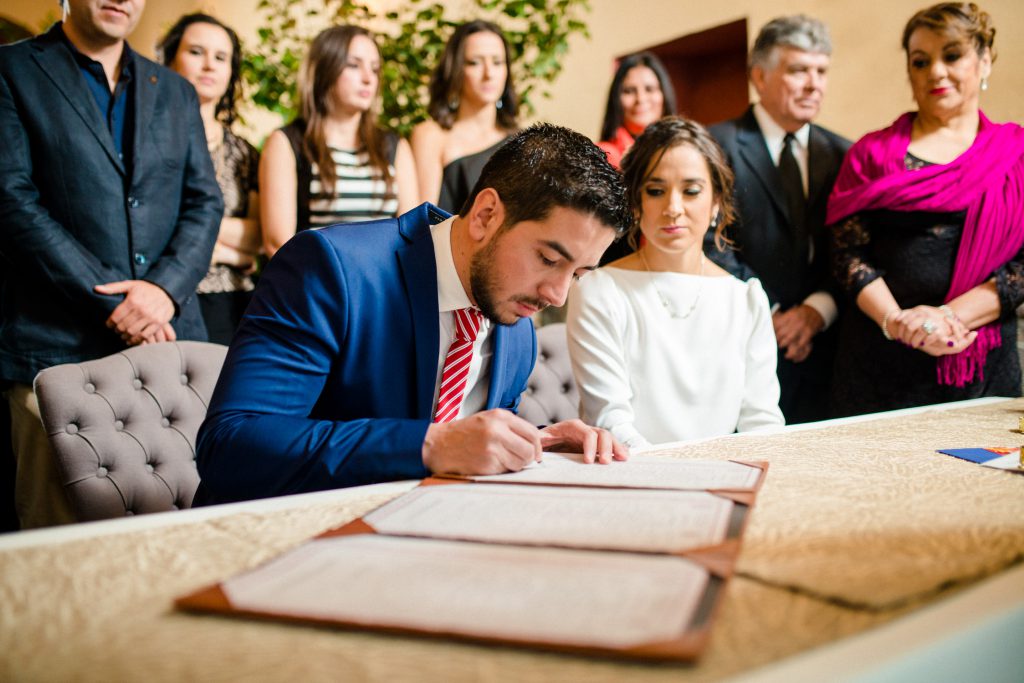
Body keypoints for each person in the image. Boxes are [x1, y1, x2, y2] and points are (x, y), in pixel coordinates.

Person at [195, 124, 631, 504]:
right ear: (485, 215)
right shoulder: (332, 269)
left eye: (577, 273)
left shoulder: (517, 329)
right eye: (549, 258)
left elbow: (459, 439)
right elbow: (232, 446)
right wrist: (429, 445)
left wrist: (535, 443)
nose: (557, 296)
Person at [0, 0, 223, 528]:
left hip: (167, 346)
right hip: (53, 347)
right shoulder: (11, 71)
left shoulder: (174, 90)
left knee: (179, 528)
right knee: (56, 545)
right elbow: (11, 198)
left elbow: (205, 201)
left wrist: (162, 292)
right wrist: (119, 299)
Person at [827, 2, 1024, 416]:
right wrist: (900, 322)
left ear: (984, 61)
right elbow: (847, 254)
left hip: (980, 367)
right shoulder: (870, 154)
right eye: (921, 61)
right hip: (879, 363)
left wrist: (944, 319)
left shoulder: (1016, 155)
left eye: (951, 55)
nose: (935, 71)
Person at [567, 117, 783, 448]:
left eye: (691, 191)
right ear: (636, 203)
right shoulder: (599, 291)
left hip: (727, 478)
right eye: (656, 191)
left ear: (716, 203)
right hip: (631, 477)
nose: (673, 208)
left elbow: (763, 420)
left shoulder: (746, 299)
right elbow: (610, 420)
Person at [706, 15, 850, 424]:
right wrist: (766, 311)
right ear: (760, 76)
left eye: (821, 71)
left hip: (825, 354)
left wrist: (816, 310)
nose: (813, 84)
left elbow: (854, 246)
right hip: (737, 348)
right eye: (798, 70)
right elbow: (705, 240)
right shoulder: (715, 145)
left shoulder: (844, 154)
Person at [260, 25, 418, 257]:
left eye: (374, 69)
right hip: (315, 285)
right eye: (353, 65)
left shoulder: (394, 146)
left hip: (384, 286)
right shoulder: (287, 143)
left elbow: (413, 236)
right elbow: (278, 244)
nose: (368, 79)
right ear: (324, 70)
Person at [159, 13, 260, 345]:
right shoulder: (147, 140)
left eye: (221, 57)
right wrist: (230, 251)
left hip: (232, 301)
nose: (209, 66)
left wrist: (200, 244)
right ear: (169, 59)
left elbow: (257, 235)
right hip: (164, 297)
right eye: (196, 52)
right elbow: (151, 224)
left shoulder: (244, 153)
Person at [411, 20, 519, 214]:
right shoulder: (431, 134)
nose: (489, 74)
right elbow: (419, 223)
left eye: (497, 62)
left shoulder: (520, 141)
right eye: (474, 62)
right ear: (456, 70)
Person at [596, 51, 676, 170]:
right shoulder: (603, 155)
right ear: (616, 99)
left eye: (649, 89)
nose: (641, 99)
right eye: (629, 91)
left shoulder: (682, 149)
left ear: (664, 94)